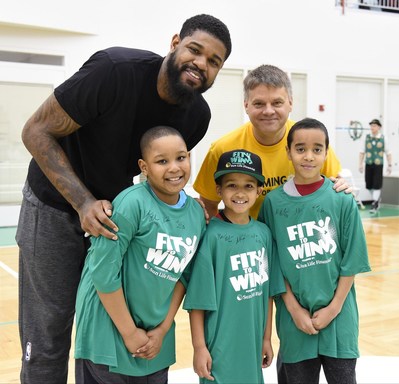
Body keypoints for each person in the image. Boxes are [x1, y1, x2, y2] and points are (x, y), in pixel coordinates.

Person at [16, 14, 231, 384]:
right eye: (195, 50)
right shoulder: (114, 71)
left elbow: (159, 173)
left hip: (116, 221)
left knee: (109, 326)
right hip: (55, 206)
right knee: (49, 336)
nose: (202, 65)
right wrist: (83, 203)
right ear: (175, 41)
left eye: (214, 62)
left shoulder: (196, 115)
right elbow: (35, 132)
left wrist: (185, 207)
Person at [74, 125, 206, 383]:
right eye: (161, 161)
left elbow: (183, 277)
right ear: (144, 167)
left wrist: (163, 329)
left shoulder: (196, 214)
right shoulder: (131, 203)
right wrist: (129, 332)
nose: (174, 168)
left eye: (181, 157)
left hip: (155, 338)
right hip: (109, 333)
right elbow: (102, 273)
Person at [259, 118, 371, 384]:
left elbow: (352, 260)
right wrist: (294, 309)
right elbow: (272, 265)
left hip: (339, 318)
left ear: (326, 153)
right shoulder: (273, 203)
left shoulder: (342, 199)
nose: (308, 156)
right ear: (288, 152)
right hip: (295, 321)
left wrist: (334, 308)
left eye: (317, 149)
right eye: (300, 149)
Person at [183, 149, 286, 384]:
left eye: (248, 186)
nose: (240, 193)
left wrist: (266, 338)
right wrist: (199, 347)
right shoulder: (210, 236)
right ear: (219, 190)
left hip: (251, 343)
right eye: (231, 185)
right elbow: (198, 303)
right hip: (219, 346)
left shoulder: (263, 233)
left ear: (259, 190)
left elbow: (268, 294)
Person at [193, 64, 345, 219]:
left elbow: (336, 188)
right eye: (259, 103)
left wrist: (343, 186)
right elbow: (209, 205)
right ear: (246, 105)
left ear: (290, 103)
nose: (268, 111)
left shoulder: (310, 143)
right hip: (247, 241)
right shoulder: (222, 149)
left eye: (277, 103)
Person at [359, 118, 392, 214]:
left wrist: (389, 165)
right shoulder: (366, 137)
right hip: (368, 163)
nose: (372, 127)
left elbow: (388, 152)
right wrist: (360, 164)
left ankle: (375, 202)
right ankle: (376, 199)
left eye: (374, 125)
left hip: (378, 164)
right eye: (371, 125)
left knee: (377, 184)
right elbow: (362, 152)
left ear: (379, 127)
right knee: (369, 185)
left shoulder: (383, 138)